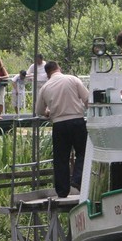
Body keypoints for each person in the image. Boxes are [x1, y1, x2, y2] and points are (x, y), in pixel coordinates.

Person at [34, 61, 89, 198]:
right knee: (83, 152)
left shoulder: (45, 87)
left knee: (61, 158)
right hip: (77, 120)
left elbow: (39, 110)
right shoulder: (72, 79)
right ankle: (77, 179)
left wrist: (48, 113)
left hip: (59, 124)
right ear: (59, 68)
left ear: (47, 74)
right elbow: (87, 99)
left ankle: (62, 191)